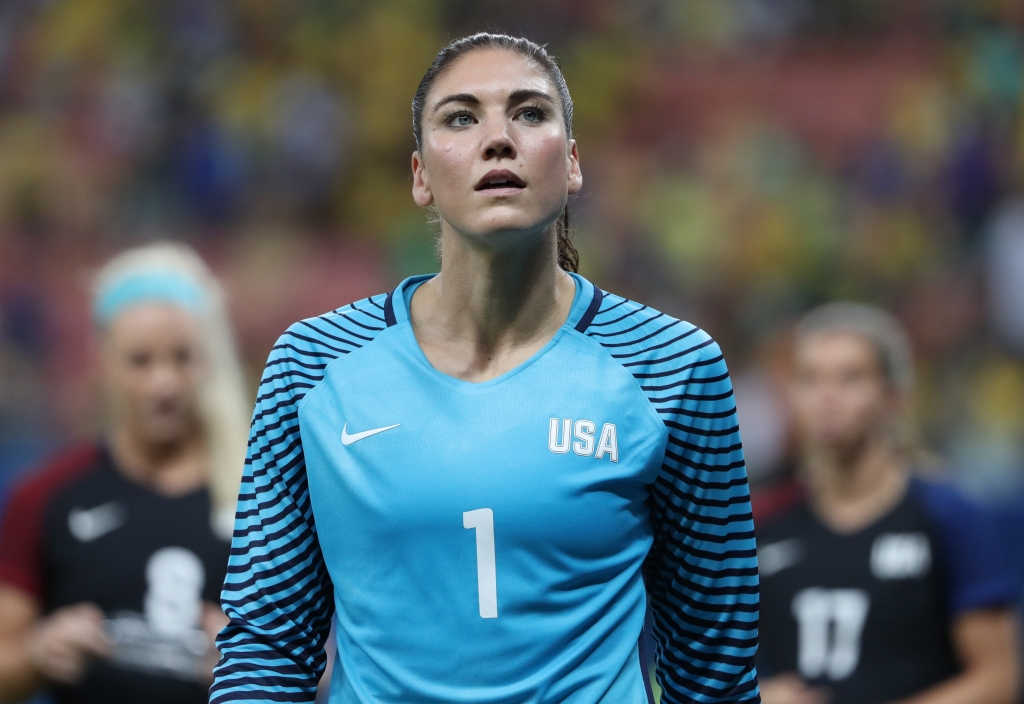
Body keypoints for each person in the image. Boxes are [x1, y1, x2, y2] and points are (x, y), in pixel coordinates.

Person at [210, 33, 760, 704]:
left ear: (574, 164)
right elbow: (266, 647)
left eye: (530, 113)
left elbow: (716, 667)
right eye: (461, 117)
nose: (498, 138)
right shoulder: (312, 365)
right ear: (419, 176)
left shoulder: (673, 365)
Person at [0, 242, 251, 704]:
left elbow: (332, 673)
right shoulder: (47, 496)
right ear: (101, 362)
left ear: (207, 361)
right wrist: (39, 653)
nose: (164, 383)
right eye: (141, 360)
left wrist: (256, 670)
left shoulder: (264, 501)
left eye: (181, 357)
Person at [755, 303, 1021, 704]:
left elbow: (1000, 677)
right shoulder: (764, 521)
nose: (827, 396)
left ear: (893, 395)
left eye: (850, 378)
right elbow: (717, 668)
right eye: (810, 379)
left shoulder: (947, 514)